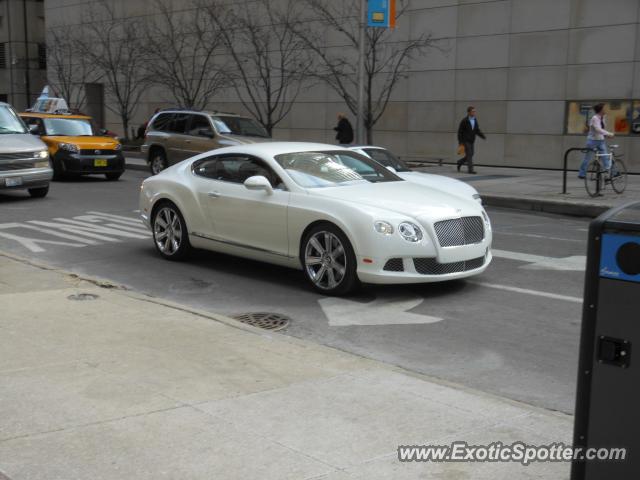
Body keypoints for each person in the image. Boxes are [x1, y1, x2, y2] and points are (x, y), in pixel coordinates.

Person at [578, 103, 614, 179]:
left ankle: (610, 173)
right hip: (592, 141)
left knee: (605, 157)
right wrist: (609, 133)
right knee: (587, 158)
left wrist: (605, 135)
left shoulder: (603, 117)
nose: (606, 109)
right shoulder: (595, 118)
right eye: (604, 108)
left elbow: (601, 129)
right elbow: (598, 129)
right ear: (601, 110)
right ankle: (582, 174)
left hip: (601, 141)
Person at [456, 106, 486, 174]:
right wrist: (460, 142)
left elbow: (477, 130)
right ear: (469, 112)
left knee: (471, 154)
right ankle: (471, 170)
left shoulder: (475, 120)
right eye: (473, 111)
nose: (474, 112)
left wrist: (482, 136)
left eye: (474, 111)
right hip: (465, 141)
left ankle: (460, 162)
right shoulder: (464, 120)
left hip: (472, 140)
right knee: (469, 154)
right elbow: (460, 132)